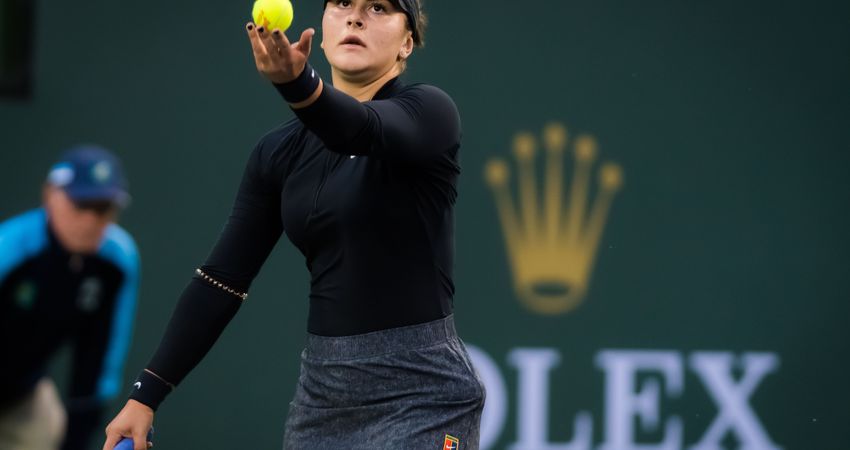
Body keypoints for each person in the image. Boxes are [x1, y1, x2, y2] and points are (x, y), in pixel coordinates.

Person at [103, 0, 485, 448]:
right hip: (322, 399)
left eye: (379, 7)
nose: (355, 16)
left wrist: (297, 84)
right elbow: (221, 281)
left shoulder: (431, 111)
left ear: (407, 43)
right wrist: (146, 395)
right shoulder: (277, 153)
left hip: (423, 393)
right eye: (342, 3)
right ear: (322, 30)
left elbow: (360, 129)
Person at [0, 146, 140, 450]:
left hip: (24, 393)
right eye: (81, 204)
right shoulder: (10, 248)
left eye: (102, 209)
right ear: (50, 195)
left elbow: (99, 356)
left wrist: (78, 433)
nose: (90, 220)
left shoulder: (117, 262)